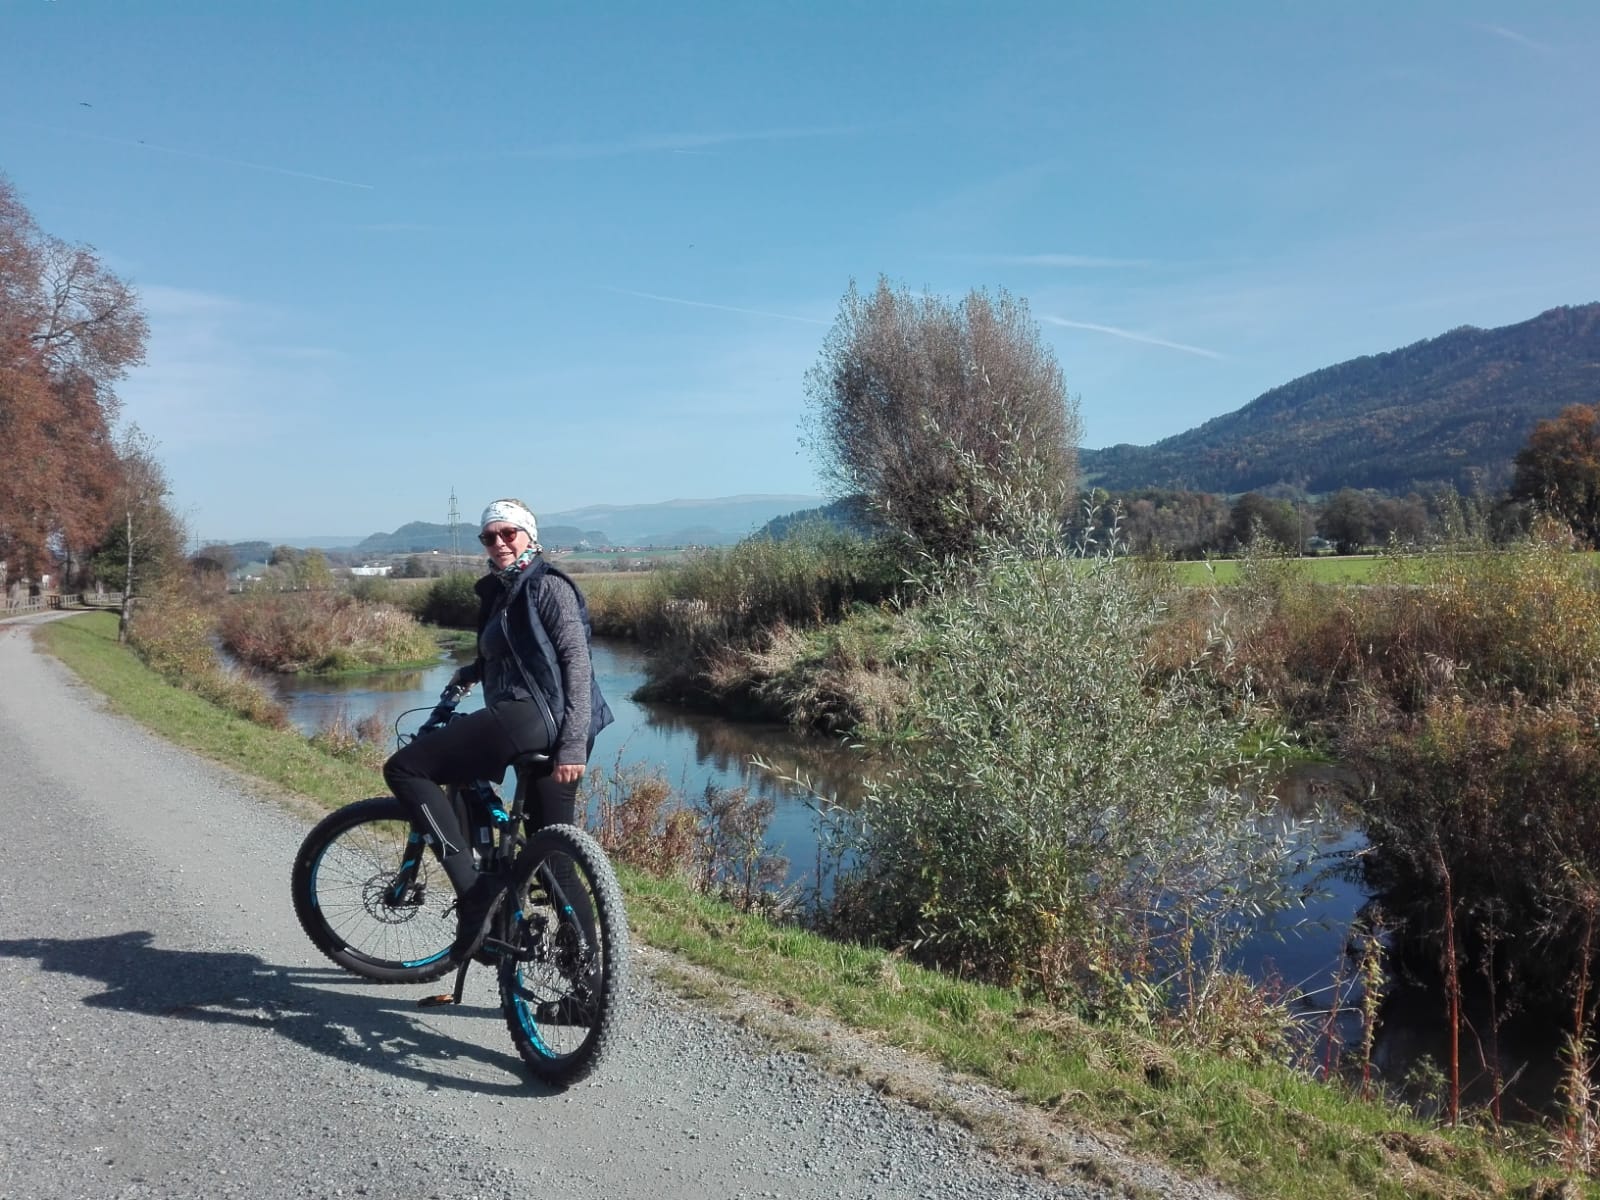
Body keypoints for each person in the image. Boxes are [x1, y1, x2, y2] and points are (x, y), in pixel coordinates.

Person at [382, 497, 614, 963]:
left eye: (509, 533)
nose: (499, 543)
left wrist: (572, 745)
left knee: (406, 768)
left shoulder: (547, 587)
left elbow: (576, 664)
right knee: (554, 856)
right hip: (547, 721)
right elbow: (514, 654)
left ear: (530, 535)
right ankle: (585, 985)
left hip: (534, 719)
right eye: (490, 536)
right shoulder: (506, 589)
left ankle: (474, 893)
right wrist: (471, 672)